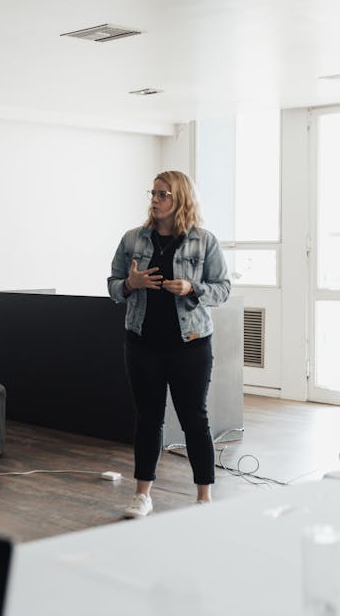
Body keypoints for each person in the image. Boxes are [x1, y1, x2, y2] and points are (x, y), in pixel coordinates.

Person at [107, 170, 230, 518]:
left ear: (181, 199)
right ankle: (142, 495)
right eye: (154, 193)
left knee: (195, 420)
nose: (155, 200)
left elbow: (223, 288)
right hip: (142, 343)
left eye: (163, 194)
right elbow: (113, 285)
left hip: (190, 345)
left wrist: (194, 289)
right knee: (148, 418)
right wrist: (130, 284)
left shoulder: (204, 241)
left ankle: (204, 497)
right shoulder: (133, 239)